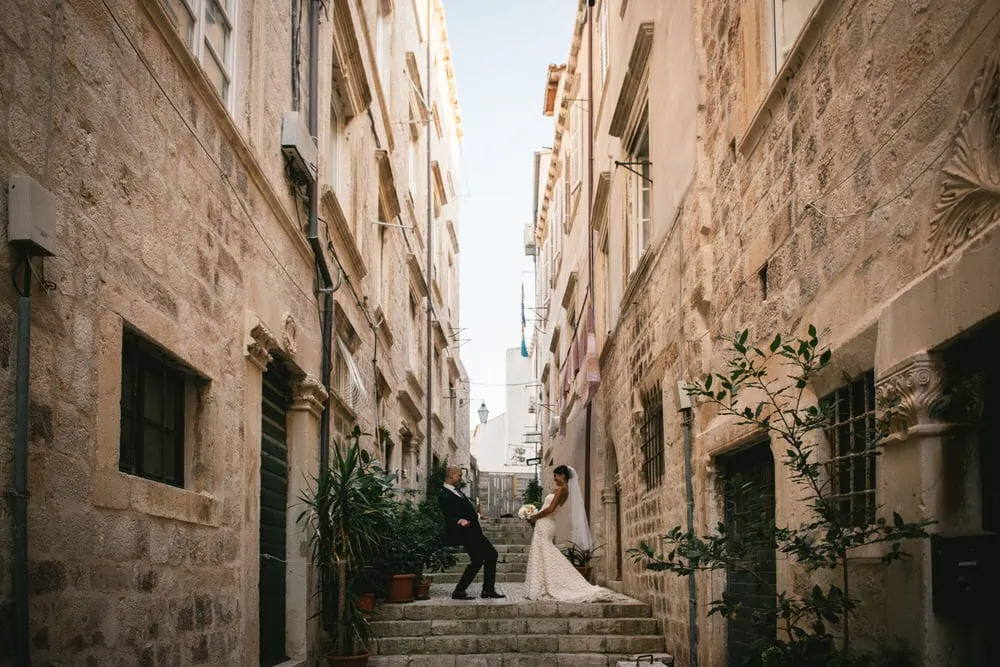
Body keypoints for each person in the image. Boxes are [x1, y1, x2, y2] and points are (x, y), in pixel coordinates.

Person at [525, 465, 615, 602]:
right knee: (543, 552)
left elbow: (550, 509)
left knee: (547, 551)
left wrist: (534, 516)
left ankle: (556, 583)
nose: (554, 478)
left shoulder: (562, 490)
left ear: (563, 476)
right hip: (545, 523)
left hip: (545, 523)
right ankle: (542, 584)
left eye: (556, 475)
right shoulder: (565, 490)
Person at [438, 465, 506, 600]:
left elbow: (464, 508)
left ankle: (486, 590)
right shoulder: (444, 493)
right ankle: (461, 591)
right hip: (464, 532)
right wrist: (458, 520)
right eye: (459, 475)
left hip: (473, 531)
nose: (460, 478)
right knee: (479, 559)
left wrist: (478, 515)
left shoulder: (456, 491)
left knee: (490, 555)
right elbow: (447, 513)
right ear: (451, 475)